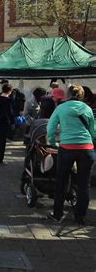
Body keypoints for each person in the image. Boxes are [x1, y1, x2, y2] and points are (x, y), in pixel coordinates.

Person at [47, 86, 95, 224]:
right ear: (82, 96)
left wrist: (52, 142)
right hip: (86, 149)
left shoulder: (61, 108)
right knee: (84, 184)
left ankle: (58, 214)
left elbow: (50, 128)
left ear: (68, 95)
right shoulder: (87, 109)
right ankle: (80, 217)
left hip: (67, 148)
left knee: (61, 181)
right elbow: (93, 131)